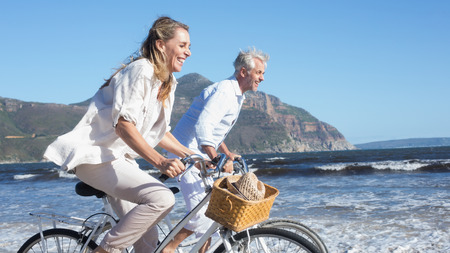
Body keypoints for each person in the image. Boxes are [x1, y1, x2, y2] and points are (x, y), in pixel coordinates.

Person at [43, 16, 195, 253]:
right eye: (183, 45)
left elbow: (159, 133)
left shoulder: (167, 82)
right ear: (161, 44)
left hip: (120, 160)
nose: (188, 52)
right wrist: (160, 161)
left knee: (148, 240)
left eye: (189, 47)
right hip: (97, 157)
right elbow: (123, 125)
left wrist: (198, 158)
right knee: (163, 199)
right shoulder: (141, 70)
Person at [162, 47, 269, 253]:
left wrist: (226, 152)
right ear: (243, 72)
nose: (262, 78)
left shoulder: (236, 94)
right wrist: (215, 156)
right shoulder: (225, 92)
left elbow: (215, 130)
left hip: (197, 155)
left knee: (213, 212)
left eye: (263, 73)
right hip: (185, 155)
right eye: (259, 73)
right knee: (201, 214)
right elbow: (203, 126)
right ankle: (168, 248)